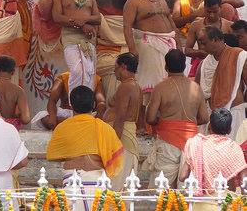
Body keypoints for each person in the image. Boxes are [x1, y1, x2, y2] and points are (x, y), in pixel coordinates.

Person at [47, 86, 123, 211]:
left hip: (72, 181)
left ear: (71, 105)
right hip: (97, 181)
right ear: (94, 104)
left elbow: (52, 155)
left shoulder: (62, 128)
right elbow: (116, 156)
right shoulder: (104, 128)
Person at [144, 49, 209, 188]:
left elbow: (150, 118)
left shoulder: (161, 88)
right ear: (184, 66)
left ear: (166, 66)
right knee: (187, 193)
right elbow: (204, 117)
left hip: (167, 143)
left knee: (160, 191)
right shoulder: (196, 88)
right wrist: (188, 124)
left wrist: (164, 123)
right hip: (191, 143)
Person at [123, 0, 178, 124]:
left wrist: (178, 44)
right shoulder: (134, 1)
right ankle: (142, 124)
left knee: (165, 86)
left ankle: (161, 123)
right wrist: (133, 50)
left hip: (168, 45)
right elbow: (127, 26)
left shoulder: (161, 0)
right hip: (148, 47)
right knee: (145, 87)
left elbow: (170, 22)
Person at [180, 109, 247, 207]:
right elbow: (244, 182)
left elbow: (182, 176)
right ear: (230, 129)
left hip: (201, 203)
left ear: (209, 126)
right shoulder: (234, 148)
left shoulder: (196, 145)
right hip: (226, 203)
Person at [52, 0, 100, 91]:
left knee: (89, 73)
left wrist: (84, 21)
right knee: (78, 71)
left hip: (89, 40)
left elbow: (98, 18)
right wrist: (81, 25)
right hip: (70, 39)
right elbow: (57, 17)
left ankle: (86, 107)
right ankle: (75, 105)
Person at [196, 26, 247, 139]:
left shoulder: (239, 56)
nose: (201, 47)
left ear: (216, 40)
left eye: (204, 43)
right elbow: (197, 92)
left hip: (235, 115)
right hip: (212, 117)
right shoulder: (204, 64)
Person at [103, 53, 142, 191]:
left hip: (122, 136)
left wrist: (114, 142)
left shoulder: (126, 86)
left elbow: (121, 116)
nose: (114, 71)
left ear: (123, 67)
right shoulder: (134, 85)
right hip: (125, 133)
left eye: (116, 67)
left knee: (117, 181)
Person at [30, 72, 106, 131]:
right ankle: (79, 124)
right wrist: (52, 117)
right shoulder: (63, 77)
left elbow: (101, 102)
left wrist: (98, 118)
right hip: (65, 115)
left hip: (87, 115)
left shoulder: (96, 79)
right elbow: (52, 100)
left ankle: (76, 124)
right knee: (43, 118)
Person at [185, 0, 233, 77]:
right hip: (202, 66)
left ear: (220, 8)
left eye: (215, 11)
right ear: (204, 8)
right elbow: (187, 50)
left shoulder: (229, 26)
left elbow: (235, 49)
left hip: (224, 66)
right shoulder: (196, 25)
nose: (211, 15)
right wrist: (200, 53)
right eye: (208, 11)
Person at [0, 55, 31, 129]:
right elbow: (26, 119)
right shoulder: (18, 90)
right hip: (8, 129)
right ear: (13, 72)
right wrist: (16, 115)